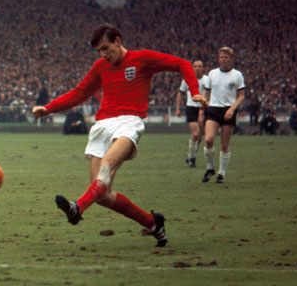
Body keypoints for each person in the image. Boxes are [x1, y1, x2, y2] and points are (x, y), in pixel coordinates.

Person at [32, 23, 207, 247]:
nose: (103, 55)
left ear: (118, 41)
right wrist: (48, 108)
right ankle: (153, 223)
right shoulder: (100, 67)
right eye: (99, 51)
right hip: (102, 126)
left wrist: (194, 92)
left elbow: (181, 64)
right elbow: (79, 93)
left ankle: (78, 208)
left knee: (107, 165)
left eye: (106, 48)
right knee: (103, 194)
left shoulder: (141, 59)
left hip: (129, 123)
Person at [202, 47, 245, 183]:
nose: (223, 59)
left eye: (226, 57)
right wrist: (202, 105)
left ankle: (222, 173)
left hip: (228, 110)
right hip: (213, 109)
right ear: (218, 59)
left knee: (224, 145)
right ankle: (210, 168)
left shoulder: (237, 75)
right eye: (221, 57)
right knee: (208, 139)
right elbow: (207, 92)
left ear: (231, 59)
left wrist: (232, 109)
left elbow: (241, 96)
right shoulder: (212, 73)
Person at [174, 59, 209, 168]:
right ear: (192, 68)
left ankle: (191, 156)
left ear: (203, 68)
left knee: (200, 138)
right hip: (191, 108)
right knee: (195, 134)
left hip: (203, 109)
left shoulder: (207, 80)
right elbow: (181, 93)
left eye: (199, 66)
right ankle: (192, 159)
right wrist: (178, 108)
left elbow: (210, 94)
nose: (197, 68)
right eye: (195, 66)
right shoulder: (187, 79)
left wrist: (203, 108)